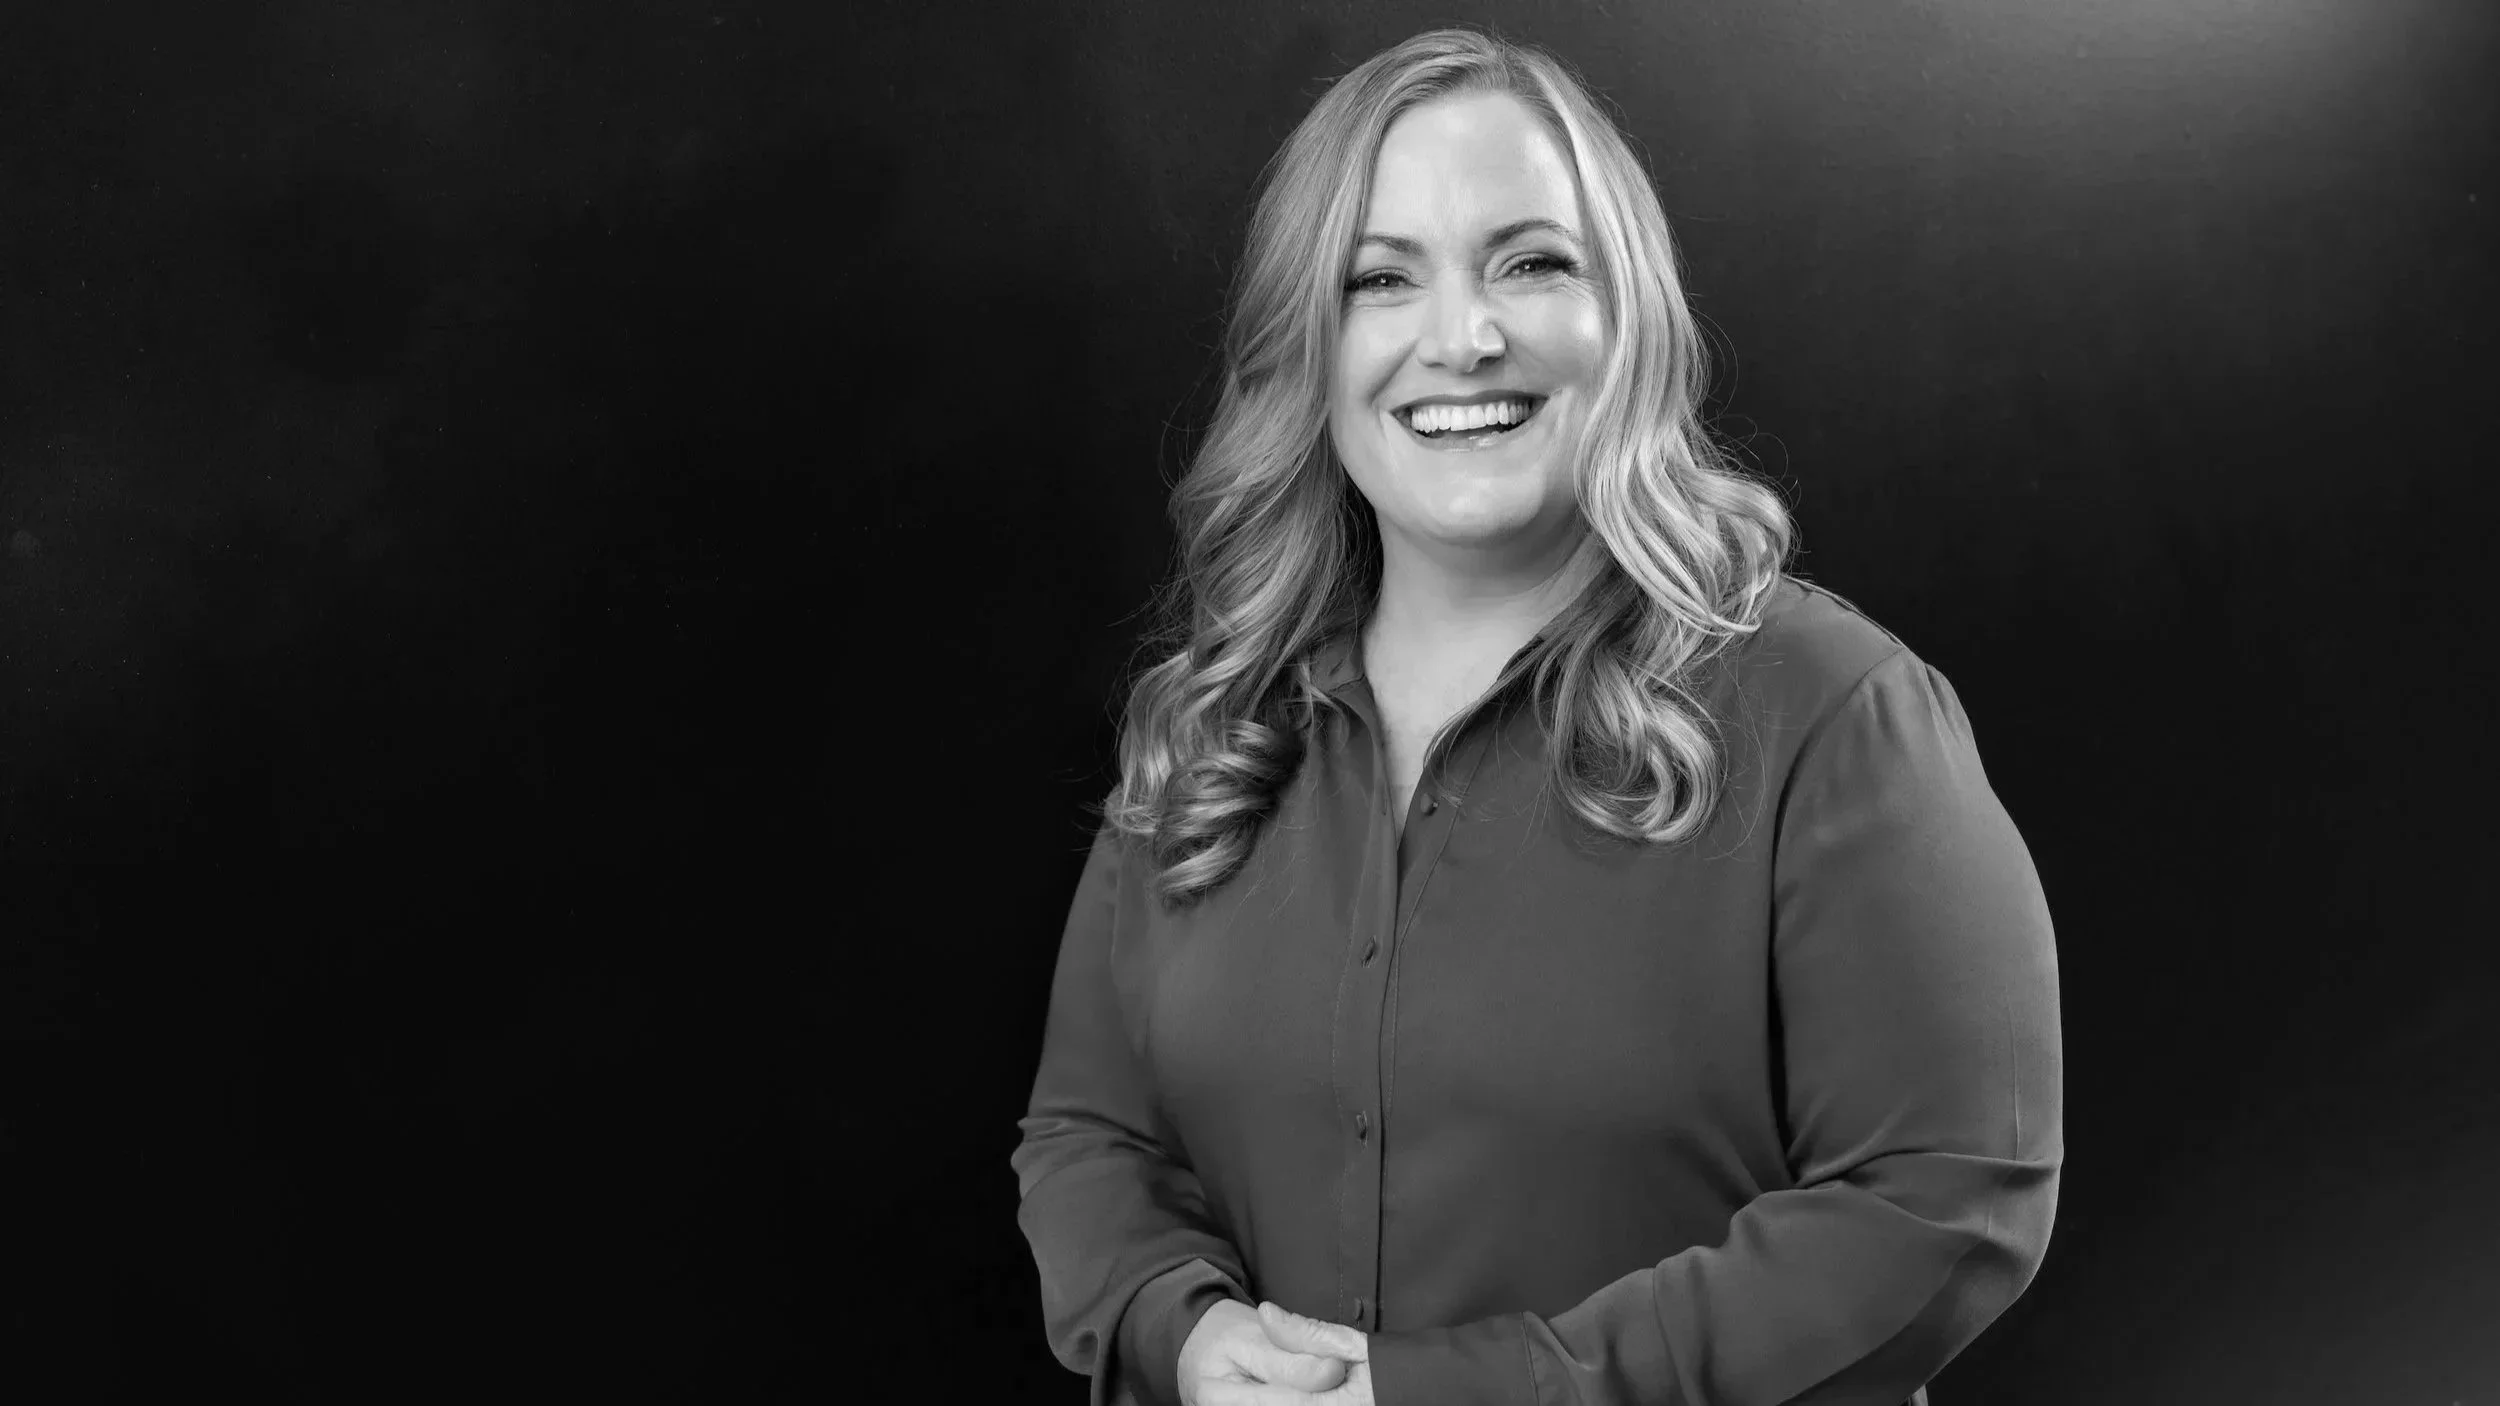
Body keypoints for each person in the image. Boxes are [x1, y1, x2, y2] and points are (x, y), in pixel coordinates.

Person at [1011, 25, 2062, 1406]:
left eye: (1531, 261)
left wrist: (1452, 1391)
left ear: (1624, 314)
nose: (1464, 337)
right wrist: (1181, 1329)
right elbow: (1086, 1132)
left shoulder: (1838, 716)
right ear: (1306, 345)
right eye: (1381, 278)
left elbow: (1942, 1201)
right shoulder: (1212, 725)